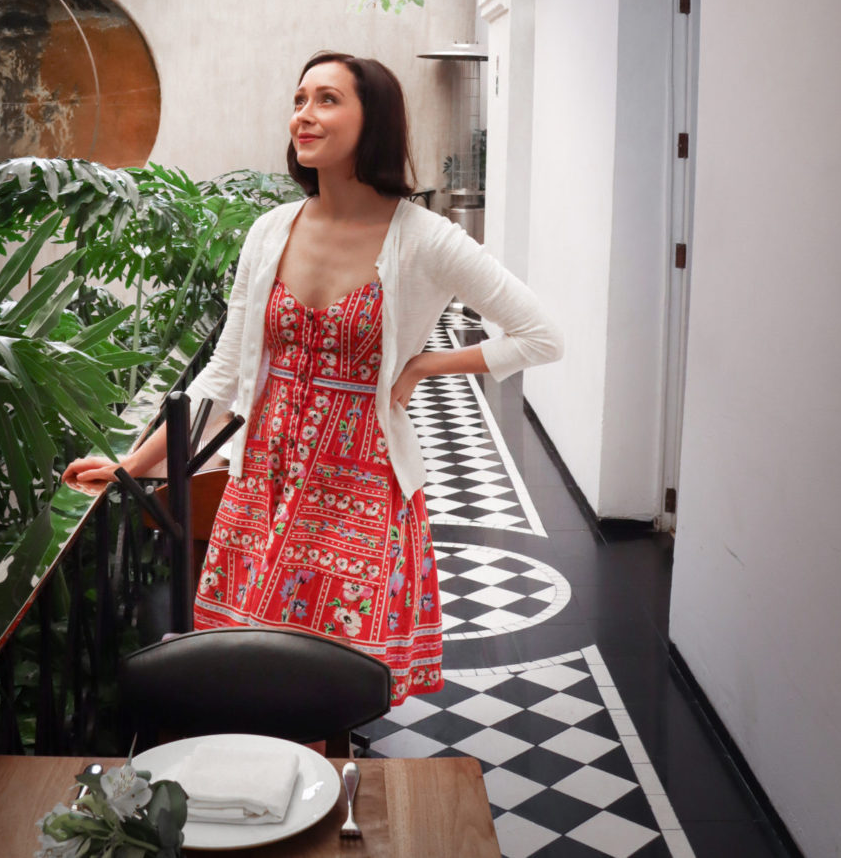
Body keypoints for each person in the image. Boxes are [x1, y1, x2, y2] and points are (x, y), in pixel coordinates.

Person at [64, 51, 562, 703]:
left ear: (373, 119)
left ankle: (331, 796)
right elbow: (223, 376)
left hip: (361, 486)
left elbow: (540, 336)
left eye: (327, 99)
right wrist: (136, 463)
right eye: (299, 99)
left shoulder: (424, 238)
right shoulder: (272, 231)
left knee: (323, 682)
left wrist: (424, 364)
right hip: (264, 479)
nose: (305, 114)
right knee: (248, 676)